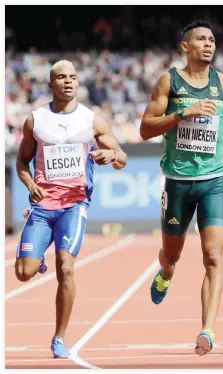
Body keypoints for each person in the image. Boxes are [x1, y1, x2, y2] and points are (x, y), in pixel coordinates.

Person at [140, 20, 223, 356]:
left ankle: (207, 331)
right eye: (201, 39)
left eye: (212, 40)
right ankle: (166, 271)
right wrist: (179, 115)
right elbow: (145, 129)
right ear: (185, 47)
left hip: (215, 181)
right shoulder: (169, 81)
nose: (208, 44)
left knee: (214, 256)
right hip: (177, 182)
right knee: (172, 254)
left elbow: (216, 122)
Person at [15, 60, 128, 358]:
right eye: (61, 78)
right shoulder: (36, 121)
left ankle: (59, 338)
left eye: (73, 77)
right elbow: (21, 163)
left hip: (74, 206)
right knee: (23, 274)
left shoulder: (92, 121)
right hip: (42, 206)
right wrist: (29, 184)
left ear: (78, 83)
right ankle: (37, 257)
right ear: (51, 84)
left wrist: (111, 154)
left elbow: (122, 158)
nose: (68, 82)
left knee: (66, 267)